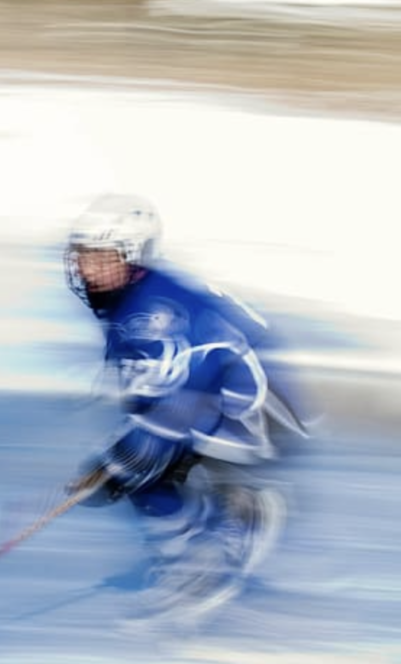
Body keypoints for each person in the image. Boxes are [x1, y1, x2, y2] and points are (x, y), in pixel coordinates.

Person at [62, 193, 314, 626]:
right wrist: (122, 456)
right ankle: (191, 551)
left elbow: (196, 381)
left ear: (133, 256)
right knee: (138, 471)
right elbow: (152, 393)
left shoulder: (156, 311)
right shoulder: (128, 298)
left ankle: (236, 527)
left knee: (142, 466)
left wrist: (128, 455)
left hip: (257, 404)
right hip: (211, 395)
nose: (89, 268)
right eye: (85, 256)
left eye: (103, 257)